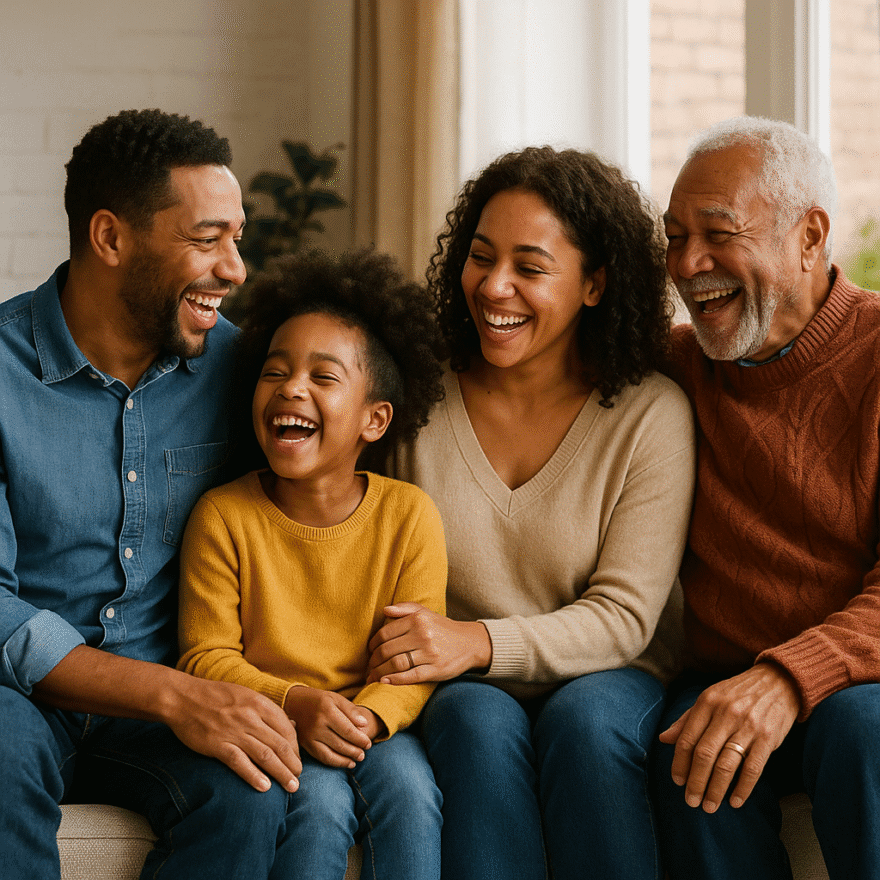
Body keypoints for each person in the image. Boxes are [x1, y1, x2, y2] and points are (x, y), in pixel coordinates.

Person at [366, 146, 696, 880]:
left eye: (530, 267)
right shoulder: (415, 394)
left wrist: (477, 642)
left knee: (584, 724)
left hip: (609, 672)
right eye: (481, 257)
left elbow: (623, 618)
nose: (494, 286)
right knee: (470, 720)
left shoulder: (651, 415)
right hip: (461, 682)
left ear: (594, 283)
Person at [0, 109, 302, 880]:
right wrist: (174, 697)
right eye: (207, 239)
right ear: (110, 238)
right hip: (18, 703)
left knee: (250, 792)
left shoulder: (244, 375)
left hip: (163, 707)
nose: (236, 268)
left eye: (238, 236)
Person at [654, 116, 880, 880]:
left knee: (863, 728)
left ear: (810, 237)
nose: (688, 264)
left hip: (857, 683)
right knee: (692, 744)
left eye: (717, 232)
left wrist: (789, 676)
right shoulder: (675, 367)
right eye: (674, 235)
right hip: (722, 677)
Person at [177, 249, 447, 880]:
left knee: (412, 796)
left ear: (374, 420)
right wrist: (297, 704)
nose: (291, 388)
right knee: (318, 808)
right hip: (275, 721)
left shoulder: (409, 515)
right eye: (275, 372)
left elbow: (417, 657)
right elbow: (204, 656)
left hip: (372, 722)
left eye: (324, 378)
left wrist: (367, 718)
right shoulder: (223, 516)